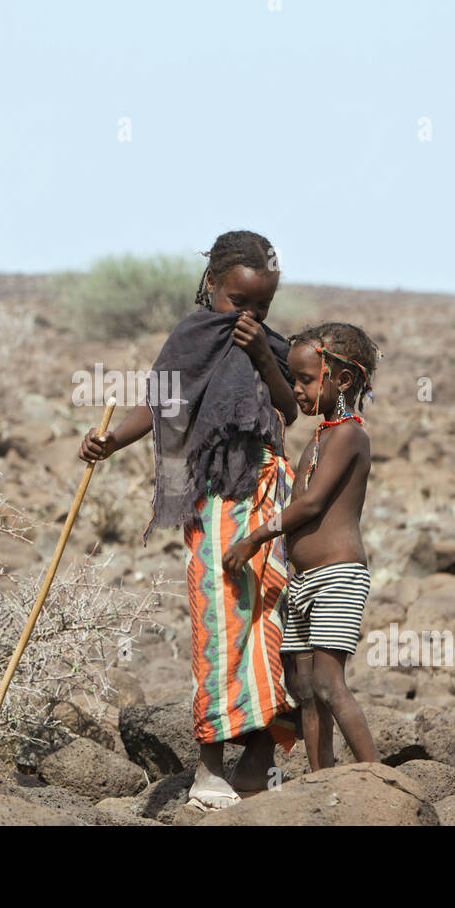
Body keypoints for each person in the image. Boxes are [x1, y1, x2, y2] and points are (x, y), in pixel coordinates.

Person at [79, 231, 300, 810]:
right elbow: (158, 404)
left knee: (270, 623)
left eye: (262, 307)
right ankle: (209, 768)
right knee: (223, 623)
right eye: (239, 303)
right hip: (216, 504)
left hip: (267, 502)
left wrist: (259, 352)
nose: (249, 316)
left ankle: (259, 758)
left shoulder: (271, 347)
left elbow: (290, 409)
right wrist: (109, 443)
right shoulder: (192, 339)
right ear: (212, 287)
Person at [222, 322, 381, 771]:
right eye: (293, 380)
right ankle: (321, 782)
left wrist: (255, 537)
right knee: (306, 689)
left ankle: (381, 782)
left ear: (343, 380)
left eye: (307, 380)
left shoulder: (349, 435)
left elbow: (310, 504)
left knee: (330, 684)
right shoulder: (320, 437)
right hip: (305, 580)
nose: (297, 390)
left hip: (337, 576)